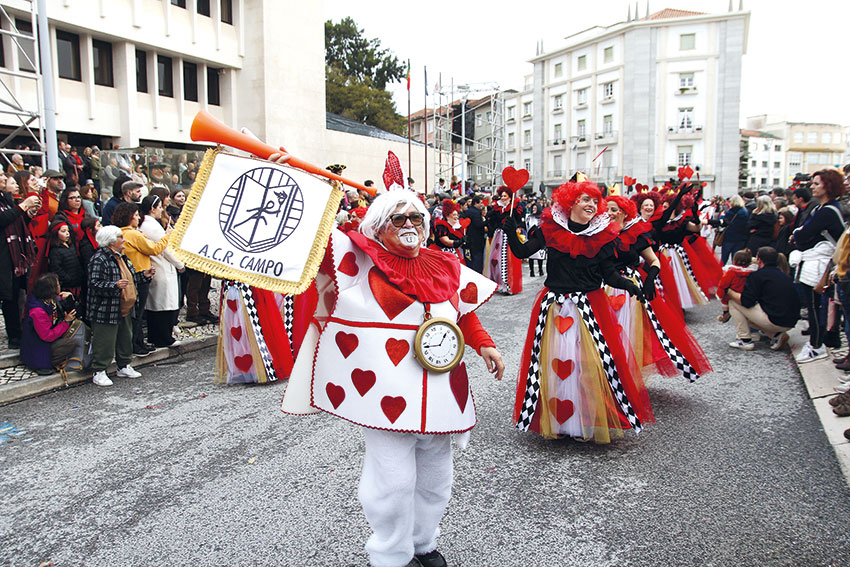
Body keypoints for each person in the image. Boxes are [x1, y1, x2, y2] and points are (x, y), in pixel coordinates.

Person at [275, 178, 505, 567]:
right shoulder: (355, 259)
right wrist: (287, 182)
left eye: (416, 216)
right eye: (398, 218)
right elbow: (306, 231)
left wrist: (484, 343)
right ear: (378, 225)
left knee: (436, 479)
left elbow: (461, 313)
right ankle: (390, 555)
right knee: (394, 483)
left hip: (441, 394)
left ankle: (423, 544)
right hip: (385, 398)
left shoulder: (444, 263)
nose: (410, 223)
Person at [503, 180, 653, 443]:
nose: (592, 205)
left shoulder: (603, 234)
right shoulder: (550, 228)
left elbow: (609, 275)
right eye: (585, 199)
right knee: (556, 362)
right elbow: (522, 251)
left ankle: (586, 419)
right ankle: (561, 422)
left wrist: (630, 286)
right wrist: (511, 229)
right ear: (571, 202)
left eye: (595, 201)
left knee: (591, 364)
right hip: (555, 306)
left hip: (589, 306)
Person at [606, 194, 711, 381]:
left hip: (631, 288)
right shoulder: (600, 233)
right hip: (605, 287)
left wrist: (650, 280)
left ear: (624, 212)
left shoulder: (635, 232)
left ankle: (628, 375)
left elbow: (653, 260)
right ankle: (609, 373)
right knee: (608, 332)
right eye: (607, 209)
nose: (610, 213)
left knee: (631, 332)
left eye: (614, 210)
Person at [790, 169, 847, 363]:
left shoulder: (828, 211)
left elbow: (804, 233)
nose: (812, 187)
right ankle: (817, 343)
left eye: (816, 183)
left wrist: (798, 235)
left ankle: (816, 345)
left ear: (828, 186)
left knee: (815, 306)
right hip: (816, 261)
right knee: (815, 305)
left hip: (821, 263)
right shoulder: (821, 209)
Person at [87, 225, 147, 386]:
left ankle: (124, 365)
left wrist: (143, 276)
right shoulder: (100, 259)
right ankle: (99, 371)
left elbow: (130, 278)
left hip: (124, 307)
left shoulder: (122, 257)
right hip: (106, 308)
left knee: (124, 338)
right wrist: (114, 285)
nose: (124, 240)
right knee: (104, 340)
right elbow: (94, 283)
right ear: (111, 241)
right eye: (120, 237)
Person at [112, 201, 170, 354]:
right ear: (129, 218)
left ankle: (137, 343)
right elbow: (154, 248)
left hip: (132, 274)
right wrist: (166, 236)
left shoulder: (120, 232)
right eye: (136, 215)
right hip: (139, 275)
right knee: (137, 313)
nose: (138, 218)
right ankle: (136, 344)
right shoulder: (133, 234)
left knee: (134, 312)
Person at [727, 247, 799, 351]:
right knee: (753, 309)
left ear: (759, 260)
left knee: (733, 302)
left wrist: (728, 291)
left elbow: (746, 301)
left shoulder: (757, 275)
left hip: (775, 320)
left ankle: (745, 340)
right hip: (790, 320)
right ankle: (776, 335)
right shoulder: (783, 275)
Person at [20, 273, 87, 375]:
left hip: (41, 343)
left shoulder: (45, 300)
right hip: (39, 347)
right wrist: (66, 322)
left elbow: (54, 302)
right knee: (71, 343)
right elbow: (47, 336)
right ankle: (50, 362)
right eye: (57, 285)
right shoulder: (38, 312)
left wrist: (63, 296)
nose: (59, 286)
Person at [138, 195, 183, 347]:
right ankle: (163, 338)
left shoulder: (149, 224)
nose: (161, 210)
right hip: (161, 266)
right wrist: (179, 263)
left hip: (160, 266)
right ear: (152, 208)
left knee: (160, 304)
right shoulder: (150, 225)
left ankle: (159, 336)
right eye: (159, 207)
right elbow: (166, 248)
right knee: (162, 304)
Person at [0, 189, 39, 348]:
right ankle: (14, 335)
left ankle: (17, 333)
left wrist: (27, 214)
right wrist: (23, 206)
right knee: (8, 297)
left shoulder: (6, 199)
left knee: (15, 294)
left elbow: (16, 222)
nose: (3, 178)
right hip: (4, 256)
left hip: (13, 257)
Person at [484, 186, 523, 295]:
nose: (503, 198)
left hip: (509, 236)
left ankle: (508, 285)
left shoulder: (514, 207)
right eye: (501, 196)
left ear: (510, 197)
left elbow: (519, 220)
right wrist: (490, 208)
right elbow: (490, 218)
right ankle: (498, 283)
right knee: (496, 260)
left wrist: (517, 227)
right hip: (499, 235)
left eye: (505, 196)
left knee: (508, 260)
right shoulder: (497, 208)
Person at [46, 222, 84, 299]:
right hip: (67, 286)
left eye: (68, 231)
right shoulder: (55, 251)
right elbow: (56, 269)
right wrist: (68, 279)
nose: (67, 234)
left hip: (78, 283)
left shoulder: (71, 246)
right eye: (63, 231)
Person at [709, 194, 749, 264]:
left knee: (724, 258)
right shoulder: (745, 212)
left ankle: (720, 272)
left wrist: (721, 216)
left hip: (729, 237)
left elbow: (724, 222)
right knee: (736, 258)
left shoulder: (730, 212)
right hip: (741, 238)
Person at [716, 249, 754, 323]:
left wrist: (719, 294)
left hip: (732, 293)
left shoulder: (731, 272)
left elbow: (723, 284)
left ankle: (725, 313)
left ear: (734, 261)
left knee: (724, 300)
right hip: (743, 294)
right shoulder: (751, 272)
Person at [429, 198, 467, 264]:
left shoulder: (454, 226)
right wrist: (460, 241)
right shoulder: (441, 225)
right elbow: (445, 241)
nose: (456, 217)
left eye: (457, 215)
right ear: (447, 216)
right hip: (441, 252)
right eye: (454, 215)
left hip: (452, 252)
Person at [459, 194, 486, 273]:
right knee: (477, 258)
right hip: (477, 239)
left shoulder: (468, 211)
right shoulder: (476, 212)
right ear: (476, 203)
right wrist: (486, 222)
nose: (482, 204)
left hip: (470, 238)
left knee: (471, 258)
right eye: (480, 203)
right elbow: (478, 224)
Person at [525, 202, 545, 277]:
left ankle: (540, 269)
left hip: (539, 238)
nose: (534, 210)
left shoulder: (542, 217)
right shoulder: (529, 217)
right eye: (533, 208)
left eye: (535, 209)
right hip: (531, 238)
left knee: (539, 256)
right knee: (531, 256)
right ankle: (532, 271)